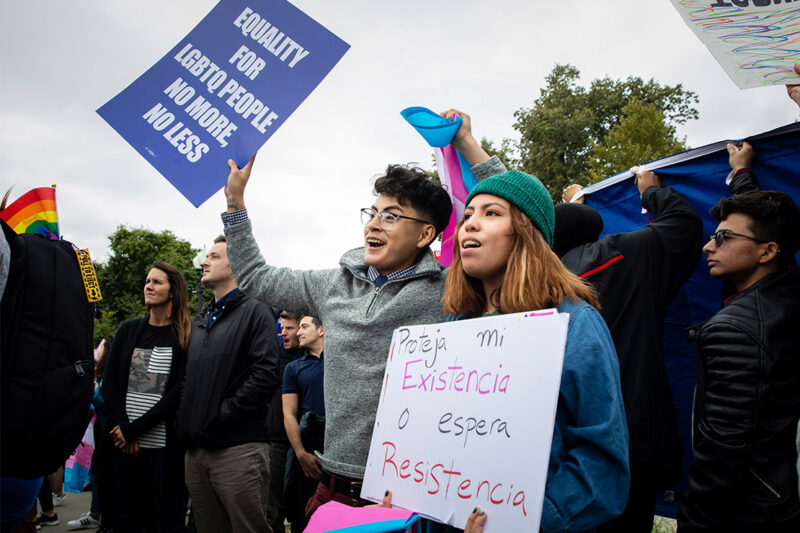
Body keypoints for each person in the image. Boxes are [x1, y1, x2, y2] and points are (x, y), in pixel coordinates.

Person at [221, 113, 494, 515]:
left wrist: (467, 142)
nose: (375, 224)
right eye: (373, 212)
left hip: (409, 494)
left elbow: (518, 220)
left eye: (392, 215)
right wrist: (235, 204)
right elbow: (255, 277)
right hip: (331, 488)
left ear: (425, 235)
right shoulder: (332, 285)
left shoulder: (450, 288)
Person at [440, 169, 630, 532]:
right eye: (468, 216)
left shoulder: (574, 324)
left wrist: (524, 521)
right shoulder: (454, 326)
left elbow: (602, 463)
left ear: (527, 233)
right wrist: (411, 496)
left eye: (491, 213)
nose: (470, 226)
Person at [556, 172, 703, 532]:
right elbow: (683, 223)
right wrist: (651, 191)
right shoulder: (626, 253)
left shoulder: (527, 282)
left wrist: (575, 208)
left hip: (563, 447)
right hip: (635, 440)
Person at [677, 147, 800, 531]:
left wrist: (695, 522)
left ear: (767, 251)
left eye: (724, 238)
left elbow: (724, 452)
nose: (708, 246)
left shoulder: (735, 330)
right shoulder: (788, 292)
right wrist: (742, 175)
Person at [178, 235, 280, 533]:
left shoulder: (257, 310)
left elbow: (266, 372)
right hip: (196, 450)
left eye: (214, 256)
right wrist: (187, 418)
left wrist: (223, 413)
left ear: (235, 264)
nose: (205, 261)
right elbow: (189, 377)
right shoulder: (202, 318)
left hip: (238, 449)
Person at [100, 262, 190, 533]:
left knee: (161, 519)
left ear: (172, 291)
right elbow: (110, 383)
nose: (148, 286)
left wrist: (134, 429)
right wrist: (123, 430)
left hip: (163, 449)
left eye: (157, 282)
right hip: (122, 444)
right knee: (126, 517)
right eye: (147, 281)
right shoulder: (128, 330)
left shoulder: (185, 335)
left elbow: (178, 392)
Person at [282, 315, 325, 532]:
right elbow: (288, 414)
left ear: (321, 330)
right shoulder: (293, 368)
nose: (299, 332)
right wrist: (300, 453)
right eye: (297, 327)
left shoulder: (341, 361)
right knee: (305, 514)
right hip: (308, 446)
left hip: (337, 445)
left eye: (304, 326)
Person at [67, 333, 114, 531]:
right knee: (97, 474)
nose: (98, 349)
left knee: (103, 475)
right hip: (99, 434)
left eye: (102, 346)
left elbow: (104, 401)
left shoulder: (109, 376)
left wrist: (94, 390)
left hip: (108, 436)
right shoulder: (100, 374)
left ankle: (102, 517)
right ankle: (96, 513)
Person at [266, 311, 303, 533]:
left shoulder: (312, 361)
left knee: (300, 506)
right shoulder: (271, 358)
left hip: (304, 444)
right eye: (281, 327)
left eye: (289, 328)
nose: (283, 333)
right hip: (276, 440)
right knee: (272, 508)